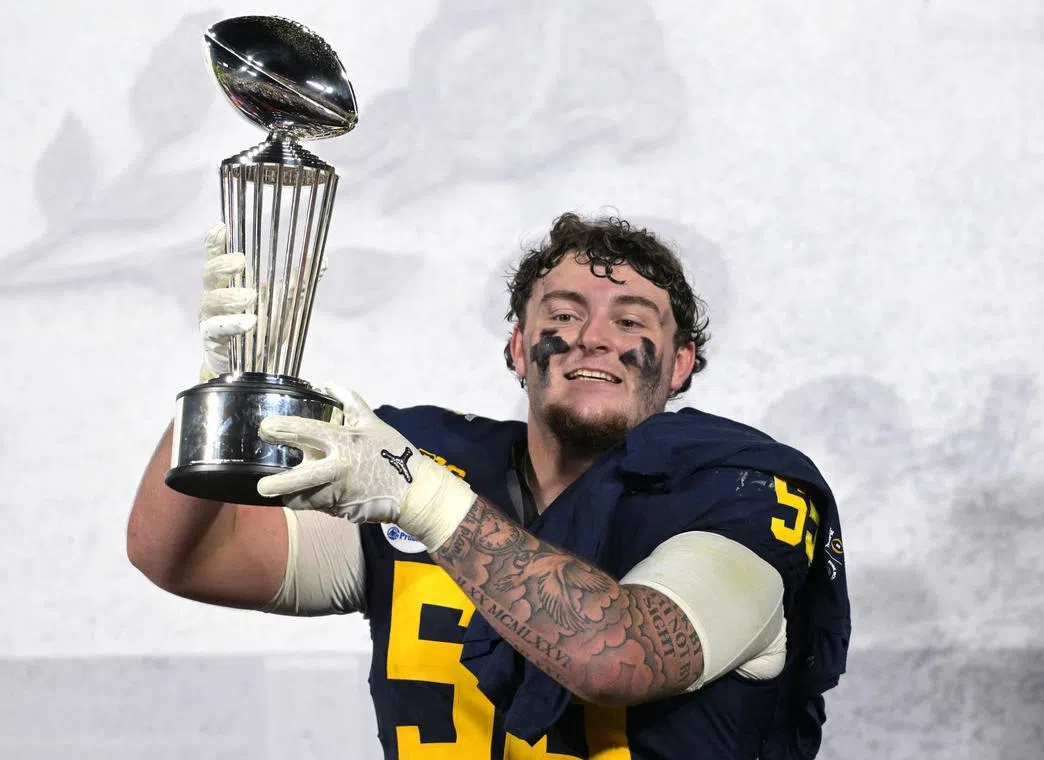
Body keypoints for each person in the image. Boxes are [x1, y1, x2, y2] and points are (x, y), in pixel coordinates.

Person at [127, 213, 851, 759]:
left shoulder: (738, 491)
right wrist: (226, 388)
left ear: (683, 362)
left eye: (630, 320)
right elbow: (181, 554)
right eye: (563, 315)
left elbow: (615, 654)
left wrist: (425, 498)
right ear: (517, 347)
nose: (593, 336)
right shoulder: (435, 461)